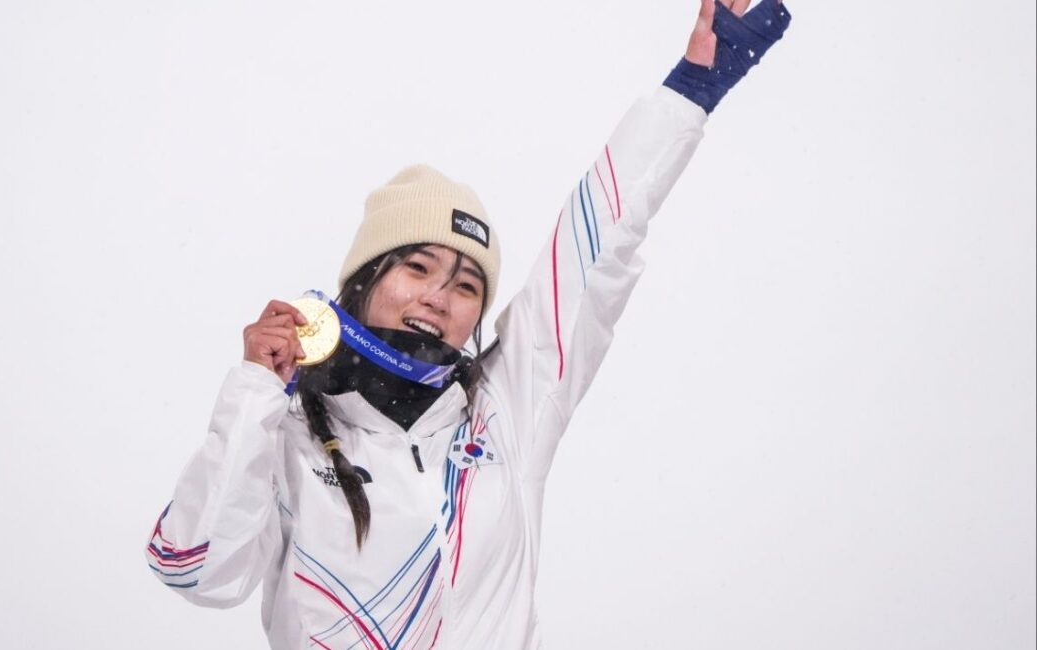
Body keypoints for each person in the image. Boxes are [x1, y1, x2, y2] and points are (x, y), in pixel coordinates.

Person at [145, 1, 791, 647]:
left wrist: (691, 90)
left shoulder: (508, 410)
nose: (438, 296)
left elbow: (595, 251)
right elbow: (196, 572)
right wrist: (256, 392)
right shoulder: (286, 433)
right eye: (418, 267)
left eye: (467, 284)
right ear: (364, 280)